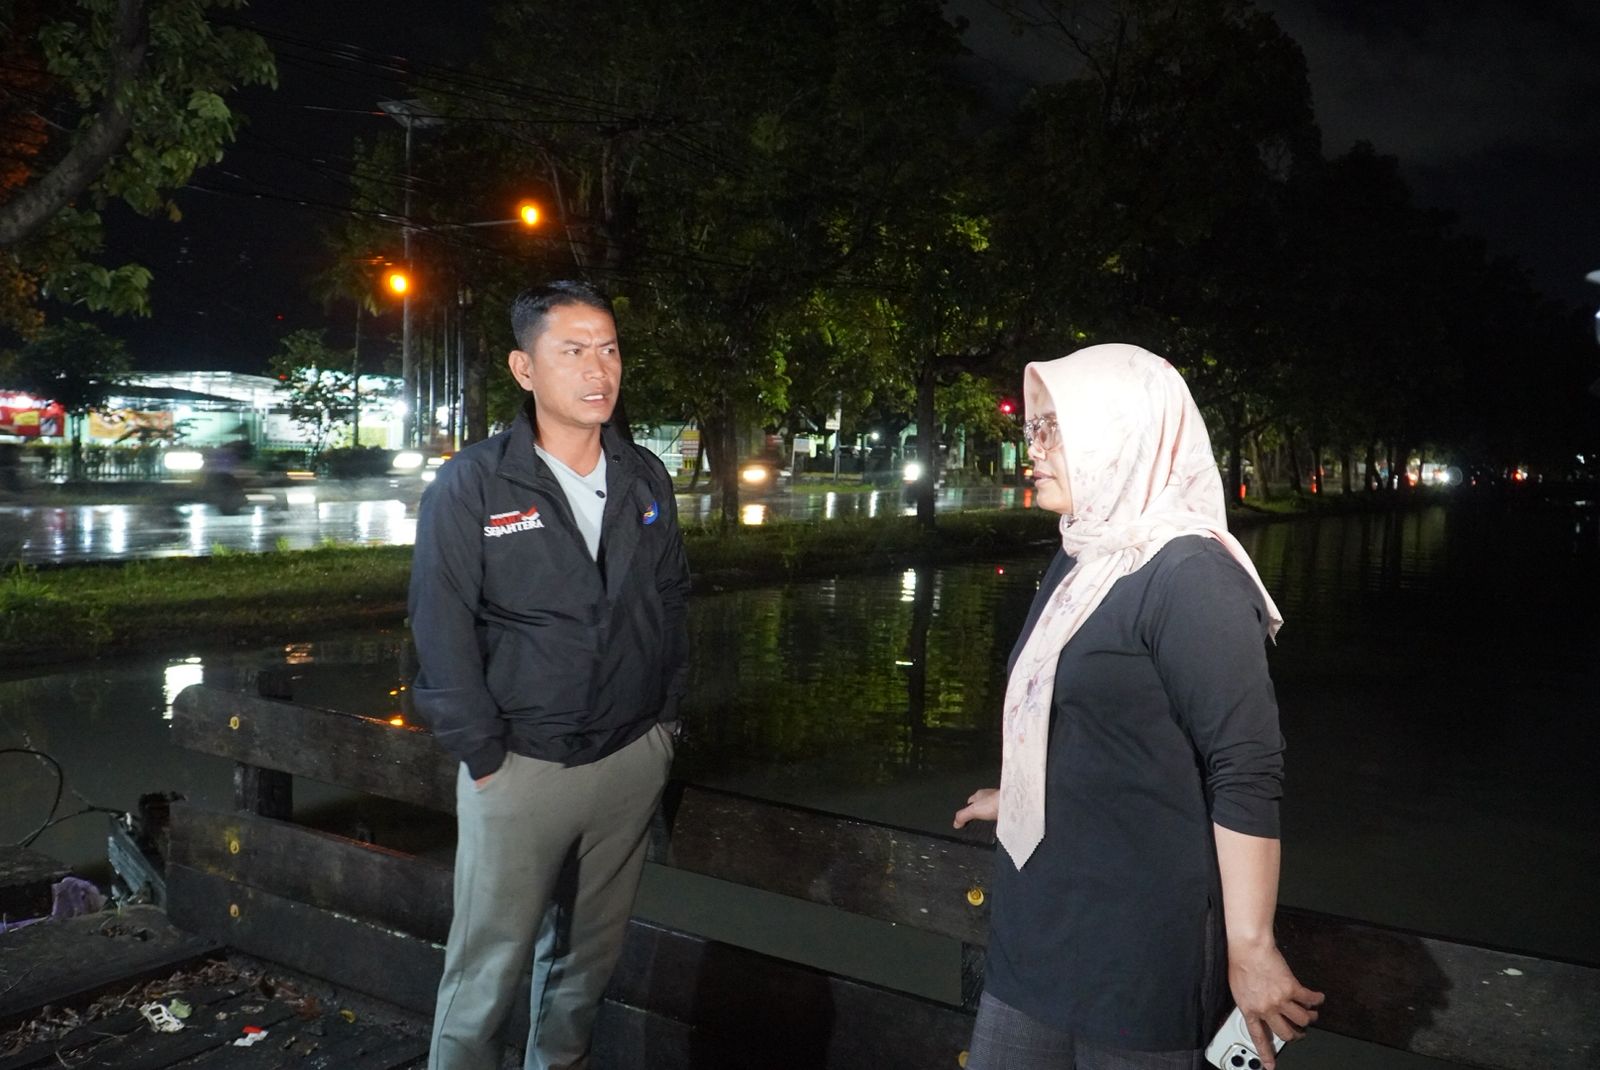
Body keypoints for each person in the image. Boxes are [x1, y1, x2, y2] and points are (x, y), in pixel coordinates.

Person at [953, 344, 1323, 1070]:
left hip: (1138, 949)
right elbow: (1090, 714)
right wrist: (1027, 790)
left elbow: (1244, 767)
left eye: (1057, 430)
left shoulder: (1190, 578)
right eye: (1035, 430)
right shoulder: (1083, 556)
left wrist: (1250, 945)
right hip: (1036, 925)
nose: (1035, 449)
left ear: (1125, 434)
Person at [409, 280, 691, 1070]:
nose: (597, 368)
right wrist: (485, 755)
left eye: (607, 347)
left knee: (584, 969)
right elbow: (440, 623)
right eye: (571, 351)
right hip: (522, 766)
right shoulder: (475, 484)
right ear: (524, 369)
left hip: (631, 758)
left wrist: (665, 723)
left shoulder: (643, 477)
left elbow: (671, 602)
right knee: (485, 975)